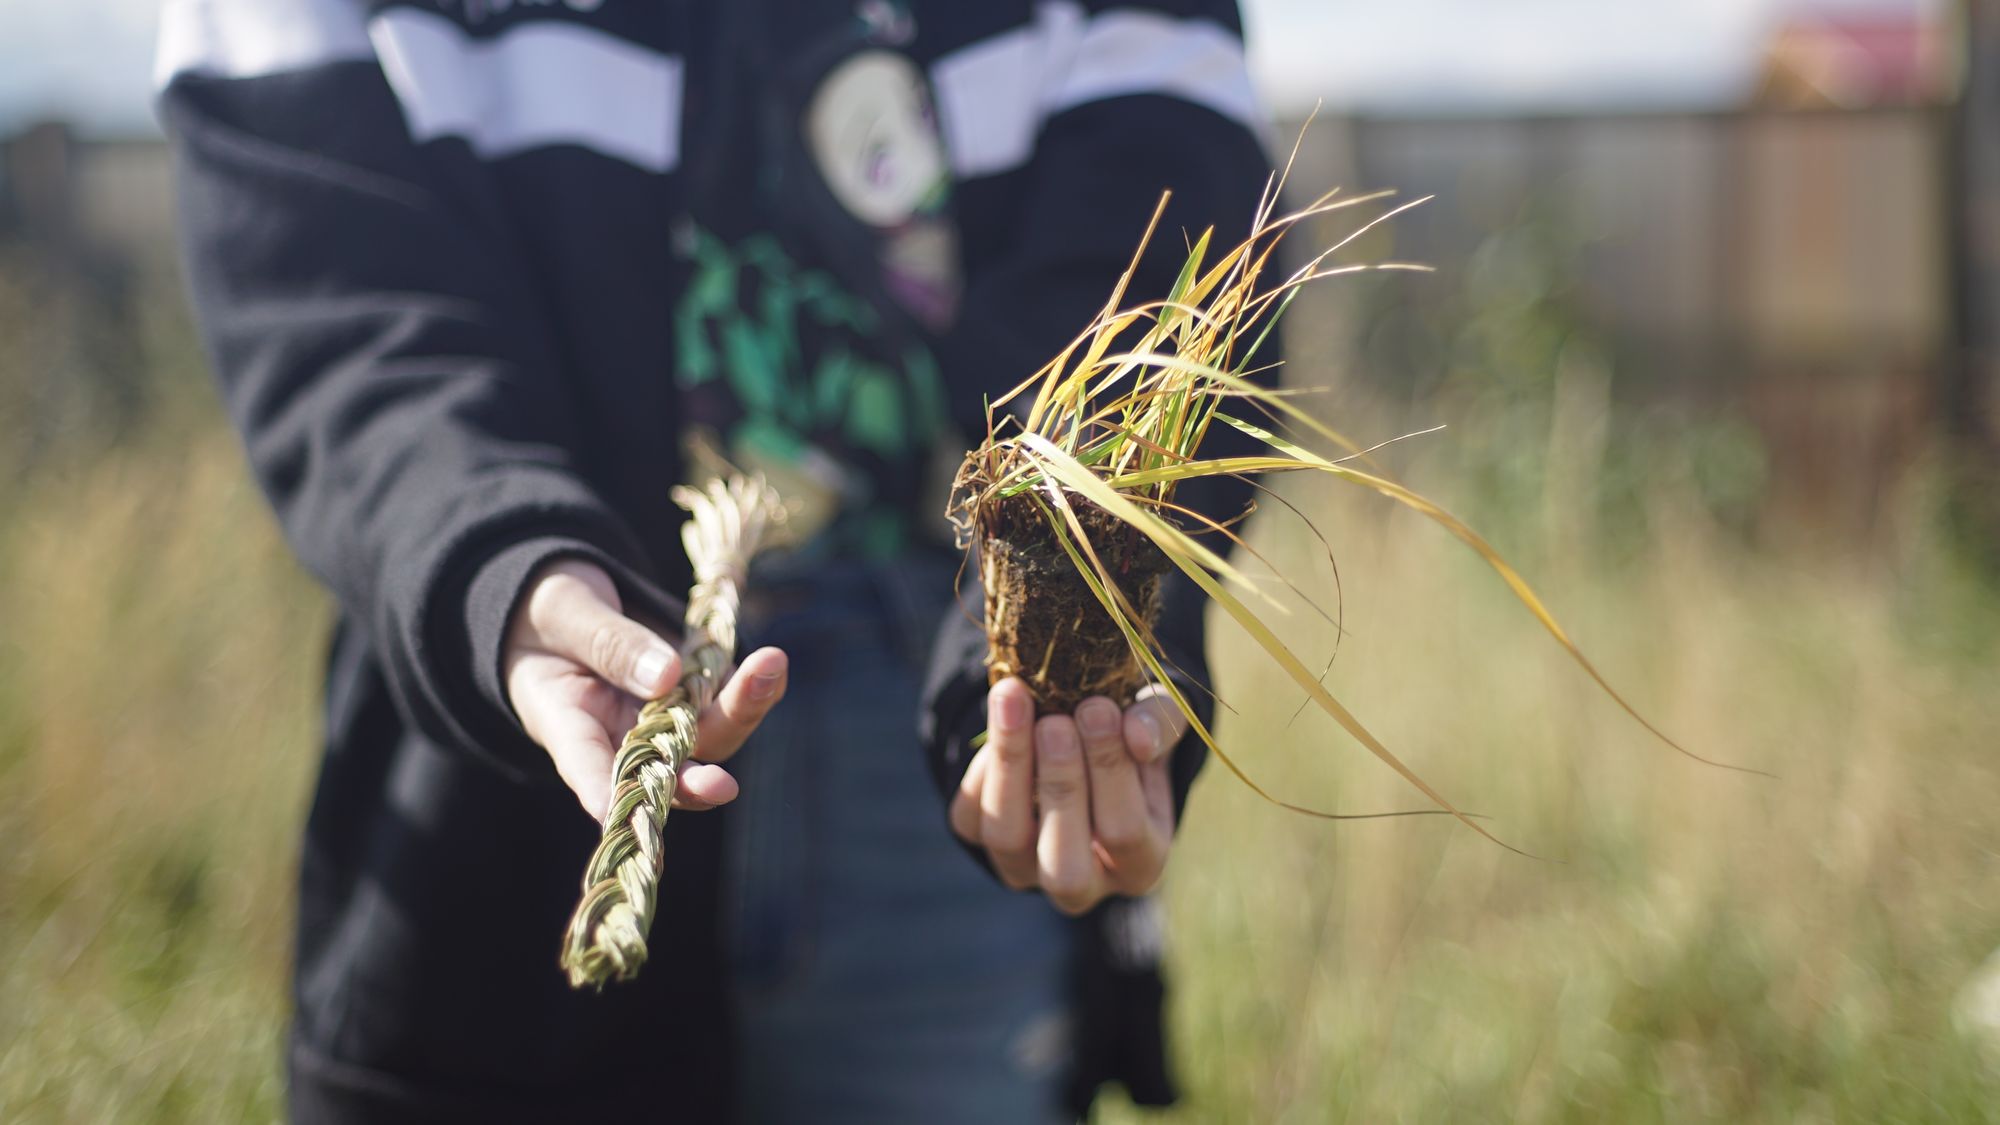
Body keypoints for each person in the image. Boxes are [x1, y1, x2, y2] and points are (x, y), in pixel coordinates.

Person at [157, 0, 1273, 1119]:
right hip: (512, 770)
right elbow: (335, 288)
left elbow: (1162, 240)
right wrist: (503, 564)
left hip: (951, 753)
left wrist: (1072, 609)